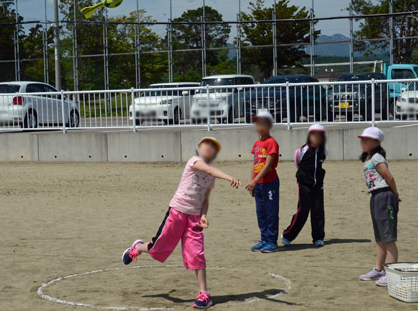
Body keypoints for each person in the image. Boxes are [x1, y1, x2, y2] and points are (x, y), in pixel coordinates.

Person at [121, 137, 241, 309]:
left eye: (212, 148)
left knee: (196, 254)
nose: (208, 149)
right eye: (205, 145)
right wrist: (229, 177)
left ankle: (204, 294)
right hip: (177, 211)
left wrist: (204, 216)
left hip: (194, 218)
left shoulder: (211, 177)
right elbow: (208, 169)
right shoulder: (194, 162)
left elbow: (205, 199)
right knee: (158, 248)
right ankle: (138, 248)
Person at [357, 127, 400, 287]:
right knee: (380, 237)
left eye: (367, 139)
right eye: (362, 139)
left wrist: (395, 195)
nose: (363, 142)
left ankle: (393, 272)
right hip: (375, 196)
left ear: (377, 142)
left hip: (384, 196)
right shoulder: (369, 158)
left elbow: (389, 177)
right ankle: (379, 269)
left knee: (388, 237)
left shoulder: (377, 157)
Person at [282, 124, 328, 247]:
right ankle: (287, 235)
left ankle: (318, 238)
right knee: (303, 210)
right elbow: (298, 163)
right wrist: (304, 179)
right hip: (304, 184)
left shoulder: (323, 152)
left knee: (318, 210)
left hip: (318, 185)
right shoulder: (302, 150)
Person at [246, 111, 280, 253]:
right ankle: (264, 238)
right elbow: (255, 163)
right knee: (261, 212)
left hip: (269, 182)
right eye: (258, 124)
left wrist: (255, 180)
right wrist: (252, 182)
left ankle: (272, 241)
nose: (260, 127)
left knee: (271, 211)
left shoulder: (271, 142)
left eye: (263, 124)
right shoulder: (257, 143)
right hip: (258, 183)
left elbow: (268, 165)